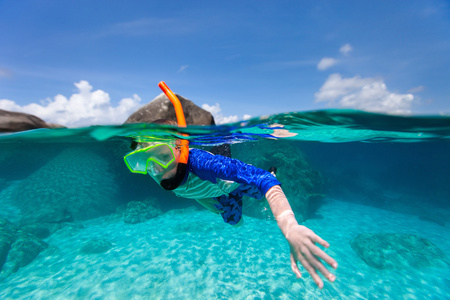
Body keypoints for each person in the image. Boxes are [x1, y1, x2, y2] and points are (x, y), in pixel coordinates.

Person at [124, 120, 338, 289]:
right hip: (218, 195)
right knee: (235, 223)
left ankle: (238, 151)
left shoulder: (202, 164)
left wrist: (288, 224)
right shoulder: (164, 173)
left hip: (230, 185)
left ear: (180, 149)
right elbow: (190, 191)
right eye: (144, 162)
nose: (157, 170)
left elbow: (264, 181)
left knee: (257, 186)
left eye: (163, 156)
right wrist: (210, 204)